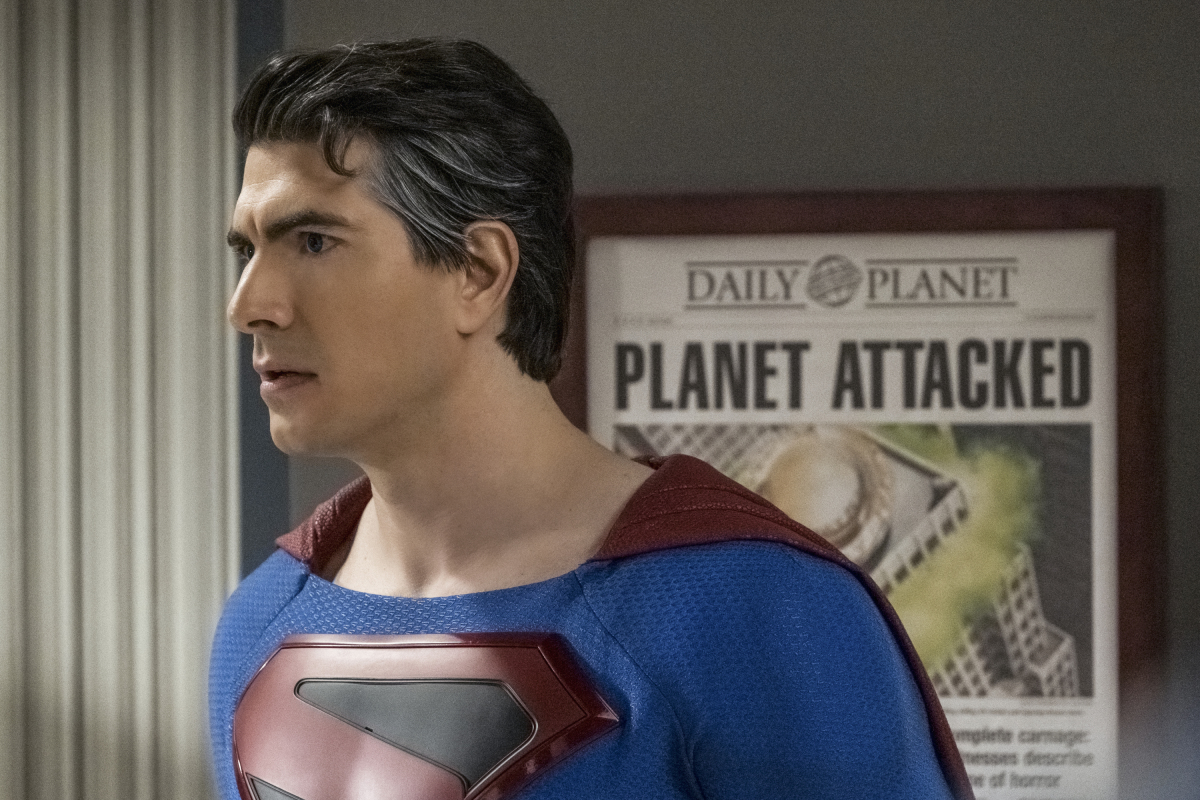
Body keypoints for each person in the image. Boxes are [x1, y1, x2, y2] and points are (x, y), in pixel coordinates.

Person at [209, 39, 973, 800]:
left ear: (479, 271)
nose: (249, 306)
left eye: (314, 241)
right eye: (247, 250)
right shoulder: (261, 622)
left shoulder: (754, 609)